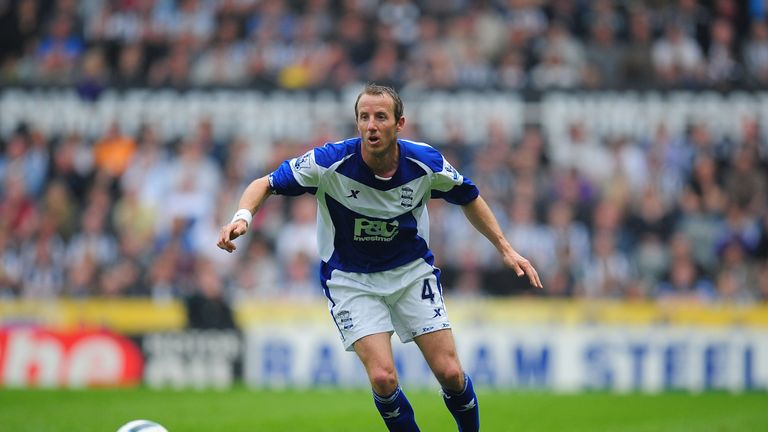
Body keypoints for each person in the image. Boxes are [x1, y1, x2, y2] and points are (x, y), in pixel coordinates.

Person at [217, 84, 542, 431]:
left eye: (381, 117)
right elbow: (265, 183)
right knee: (384, 378)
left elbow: (469, 196)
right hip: (351, 279)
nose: (371, 125)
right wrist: (242, 217)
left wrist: (505, 247)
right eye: (364, 117)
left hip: (411, 272)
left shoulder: (426, 163)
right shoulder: (329, 162)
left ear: (399, 124)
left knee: (450, 373)